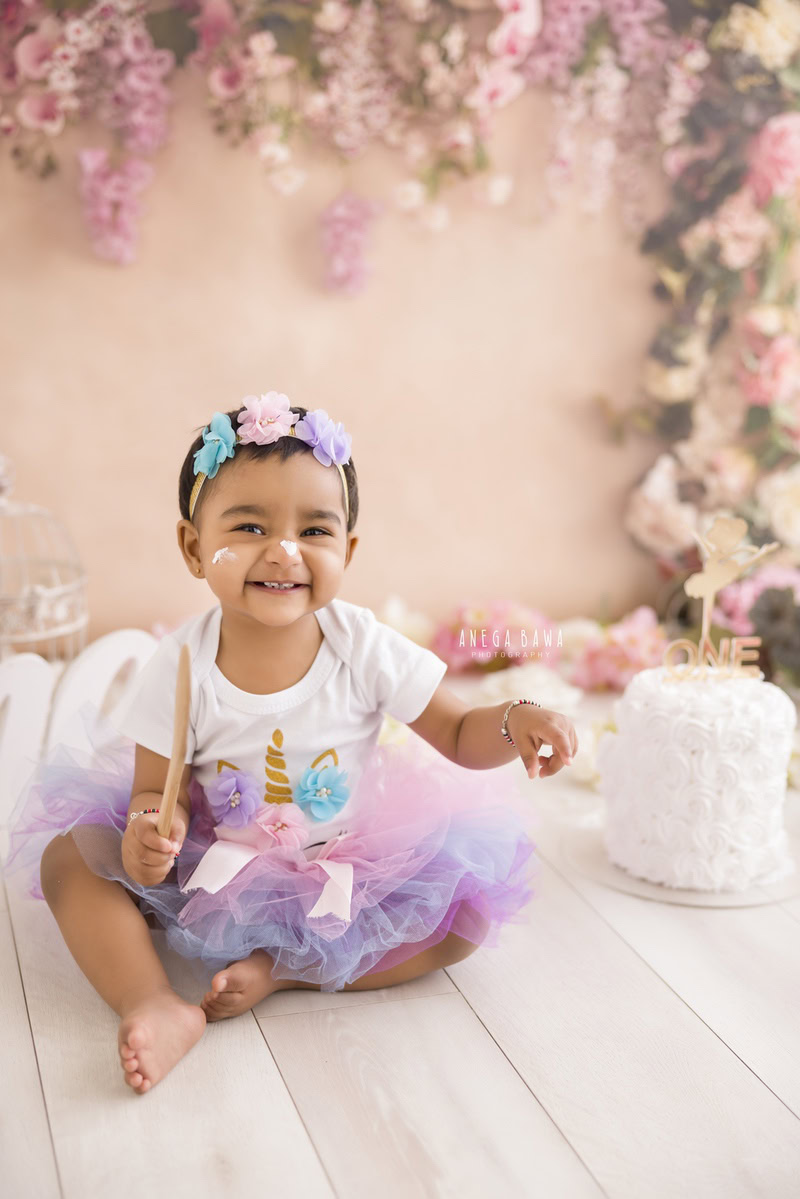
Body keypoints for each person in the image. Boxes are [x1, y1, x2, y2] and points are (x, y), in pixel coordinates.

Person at [4, 390, 578, 1096]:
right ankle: (150, 998)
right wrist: (152, 830)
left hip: (344, 871)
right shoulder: (181, 662)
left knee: (465, 915)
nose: (284, 551)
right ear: (193, 548)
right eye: (249, 526)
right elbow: (155, 788)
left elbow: (458, 732)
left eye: (314, 530)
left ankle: (285, 970)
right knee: (70, 860)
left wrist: (513, 718)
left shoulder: (361, 644)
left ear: (347, 550)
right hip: (211, 868)